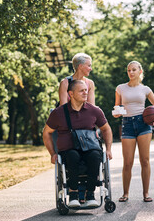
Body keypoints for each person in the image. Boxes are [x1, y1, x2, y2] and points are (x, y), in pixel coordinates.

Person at [43, 80, 113, 208]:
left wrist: (108, 149)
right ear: (71, 93)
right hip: (68, 150)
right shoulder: (59, 113)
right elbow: (46, 132)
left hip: (90, 148)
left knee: (95, 156)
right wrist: (52, 153)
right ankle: (73, 193)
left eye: (86, 90)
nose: (85, 92)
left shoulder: (94, 110)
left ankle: (90, 194)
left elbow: (106, 129)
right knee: (72, 156)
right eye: (81, 90)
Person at [113, 61, 154, 203]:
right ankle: (125, 194)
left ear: (140, 71)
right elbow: (117, 107)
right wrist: (116, 112)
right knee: (128, 162)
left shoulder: (145, 89)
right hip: (127, 124)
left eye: (134, 70)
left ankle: (146, 193)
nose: (131, 72)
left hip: (143, 124)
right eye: (129, 70)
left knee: (145, 160)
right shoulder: (120, 88)